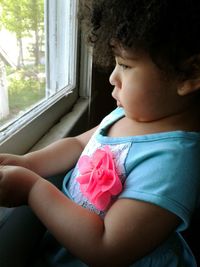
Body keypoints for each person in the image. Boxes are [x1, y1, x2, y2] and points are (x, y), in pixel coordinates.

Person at [1, 0, 200, 266]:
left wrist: (32, 189)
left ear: (188, 74)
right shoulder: (126, 113)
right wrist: (28, 162)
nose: (112, 77)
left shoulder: (174, 162)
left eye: (126, 65)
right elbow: (76, 144)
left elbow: (106, 247)